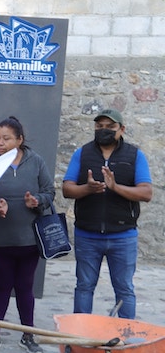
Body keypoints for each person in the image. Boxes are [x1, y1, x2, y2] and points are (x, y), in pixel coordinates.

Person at [62, 108, 152, 320]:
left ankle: (125, 339)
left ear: (122, 129)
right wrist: (88, 189)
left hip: (123, 236)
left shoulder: (135, 155)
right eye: (99, 126)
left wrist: (115, 187)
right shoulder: (82, 153)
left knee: (124, 290)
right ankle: (80, 339)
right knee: (84, 287)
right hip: (87, 235)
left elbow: (146, 193)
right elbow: (67, 189)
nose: (104, 130)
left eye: (110, 127)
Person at [0, 116, 55, 353]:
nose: (0, 143)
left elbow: (49, 191)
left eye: (6, 139)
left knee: (25, 287)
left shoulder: (36, 161)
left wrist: (37, 201)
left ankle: (27, 334)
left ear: (19, 140)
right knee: (2, 285)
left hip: (29, 239)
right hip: (0, 238)